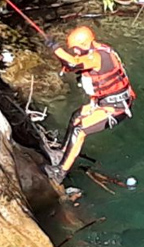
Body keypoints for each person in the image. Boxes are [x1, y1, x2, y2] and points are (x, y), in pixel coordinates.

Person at [43, 26, 136, 183]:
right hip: (103, 103)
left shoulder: (98, 57)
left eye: (76, 49)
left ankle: (60, 172)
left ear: (85, 44)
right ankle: (63, 152)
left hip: (116, 108)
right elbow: (71, 65)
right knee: (77, 115)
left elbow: (73, 64)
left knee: (80, 129)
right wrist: (58, 53)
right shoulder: (95, 52)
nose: (75, 52)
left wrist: (55, 48)